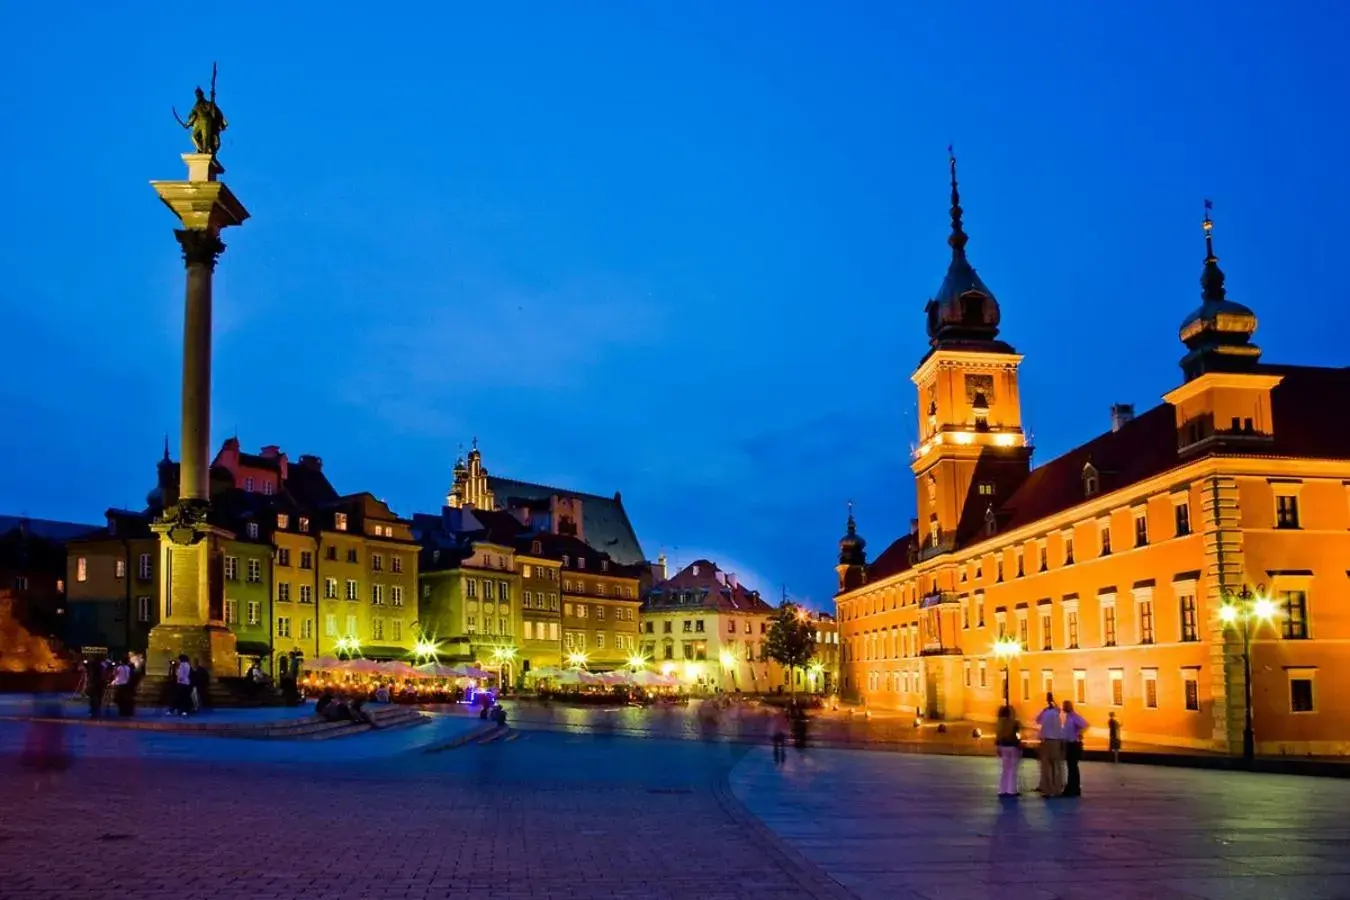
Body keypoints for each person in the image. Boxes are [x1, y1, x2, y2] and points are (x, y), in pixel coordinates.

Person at [1035, 693, 1065, 796]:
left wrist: (1045, 709)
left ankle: (1048, 789)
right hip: (1056, 740)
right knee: (1056, 766)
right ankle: (1057, 788)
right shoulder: (1056, 712)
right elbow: (1058, 709)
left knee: (1046, 766)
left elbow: (1037, 720)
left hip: (1047, 741)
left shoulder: (1046, 713)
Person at [1061, 700, 1088, 797]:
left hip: (1073, 744)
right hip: (1069, 744)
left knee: (1073, 767)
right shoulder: (1068, 717)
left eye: (1064, 706)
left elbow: (1085, 724)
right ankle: (1071, 787)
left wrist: (1080, 733)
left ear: (1068, 706)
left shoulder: (1074, 716)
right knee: (1071, 767)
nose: (1062, 708)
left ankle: (1074, 788)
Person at [994, 705, 1022, 798]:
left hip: (1003, 746)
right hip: (1013, 746)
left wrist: (998, 747)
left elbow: (997, 737)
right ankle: (1012, 790)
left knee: (1005, 769)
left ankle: (1002, 789)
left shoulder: (999, 723)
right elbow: (1018, 734)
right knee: (1013, 769)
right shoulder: (1014, 723)